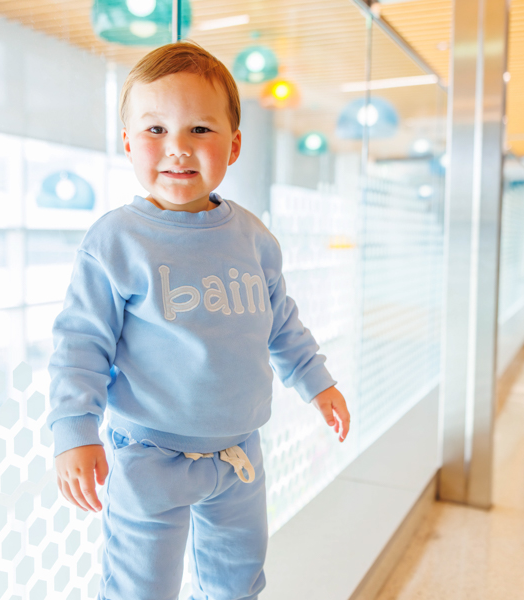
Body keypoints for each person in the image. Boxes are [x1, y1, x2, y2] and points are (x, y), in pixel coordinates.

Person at [48, 41, 350, 600]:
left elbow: (279, 321)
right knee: (141, 588)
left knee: (237, 582)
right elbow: (81, 344)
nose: (178, 149)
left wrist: (318, 381)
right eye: (156, 130)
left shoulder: (253, 238)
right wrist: (74, 432)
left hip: (239, 454)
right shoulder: (116, 241)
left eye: (200, 131)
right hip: (147, 456)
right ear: (127, 144)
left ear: (234, 146)